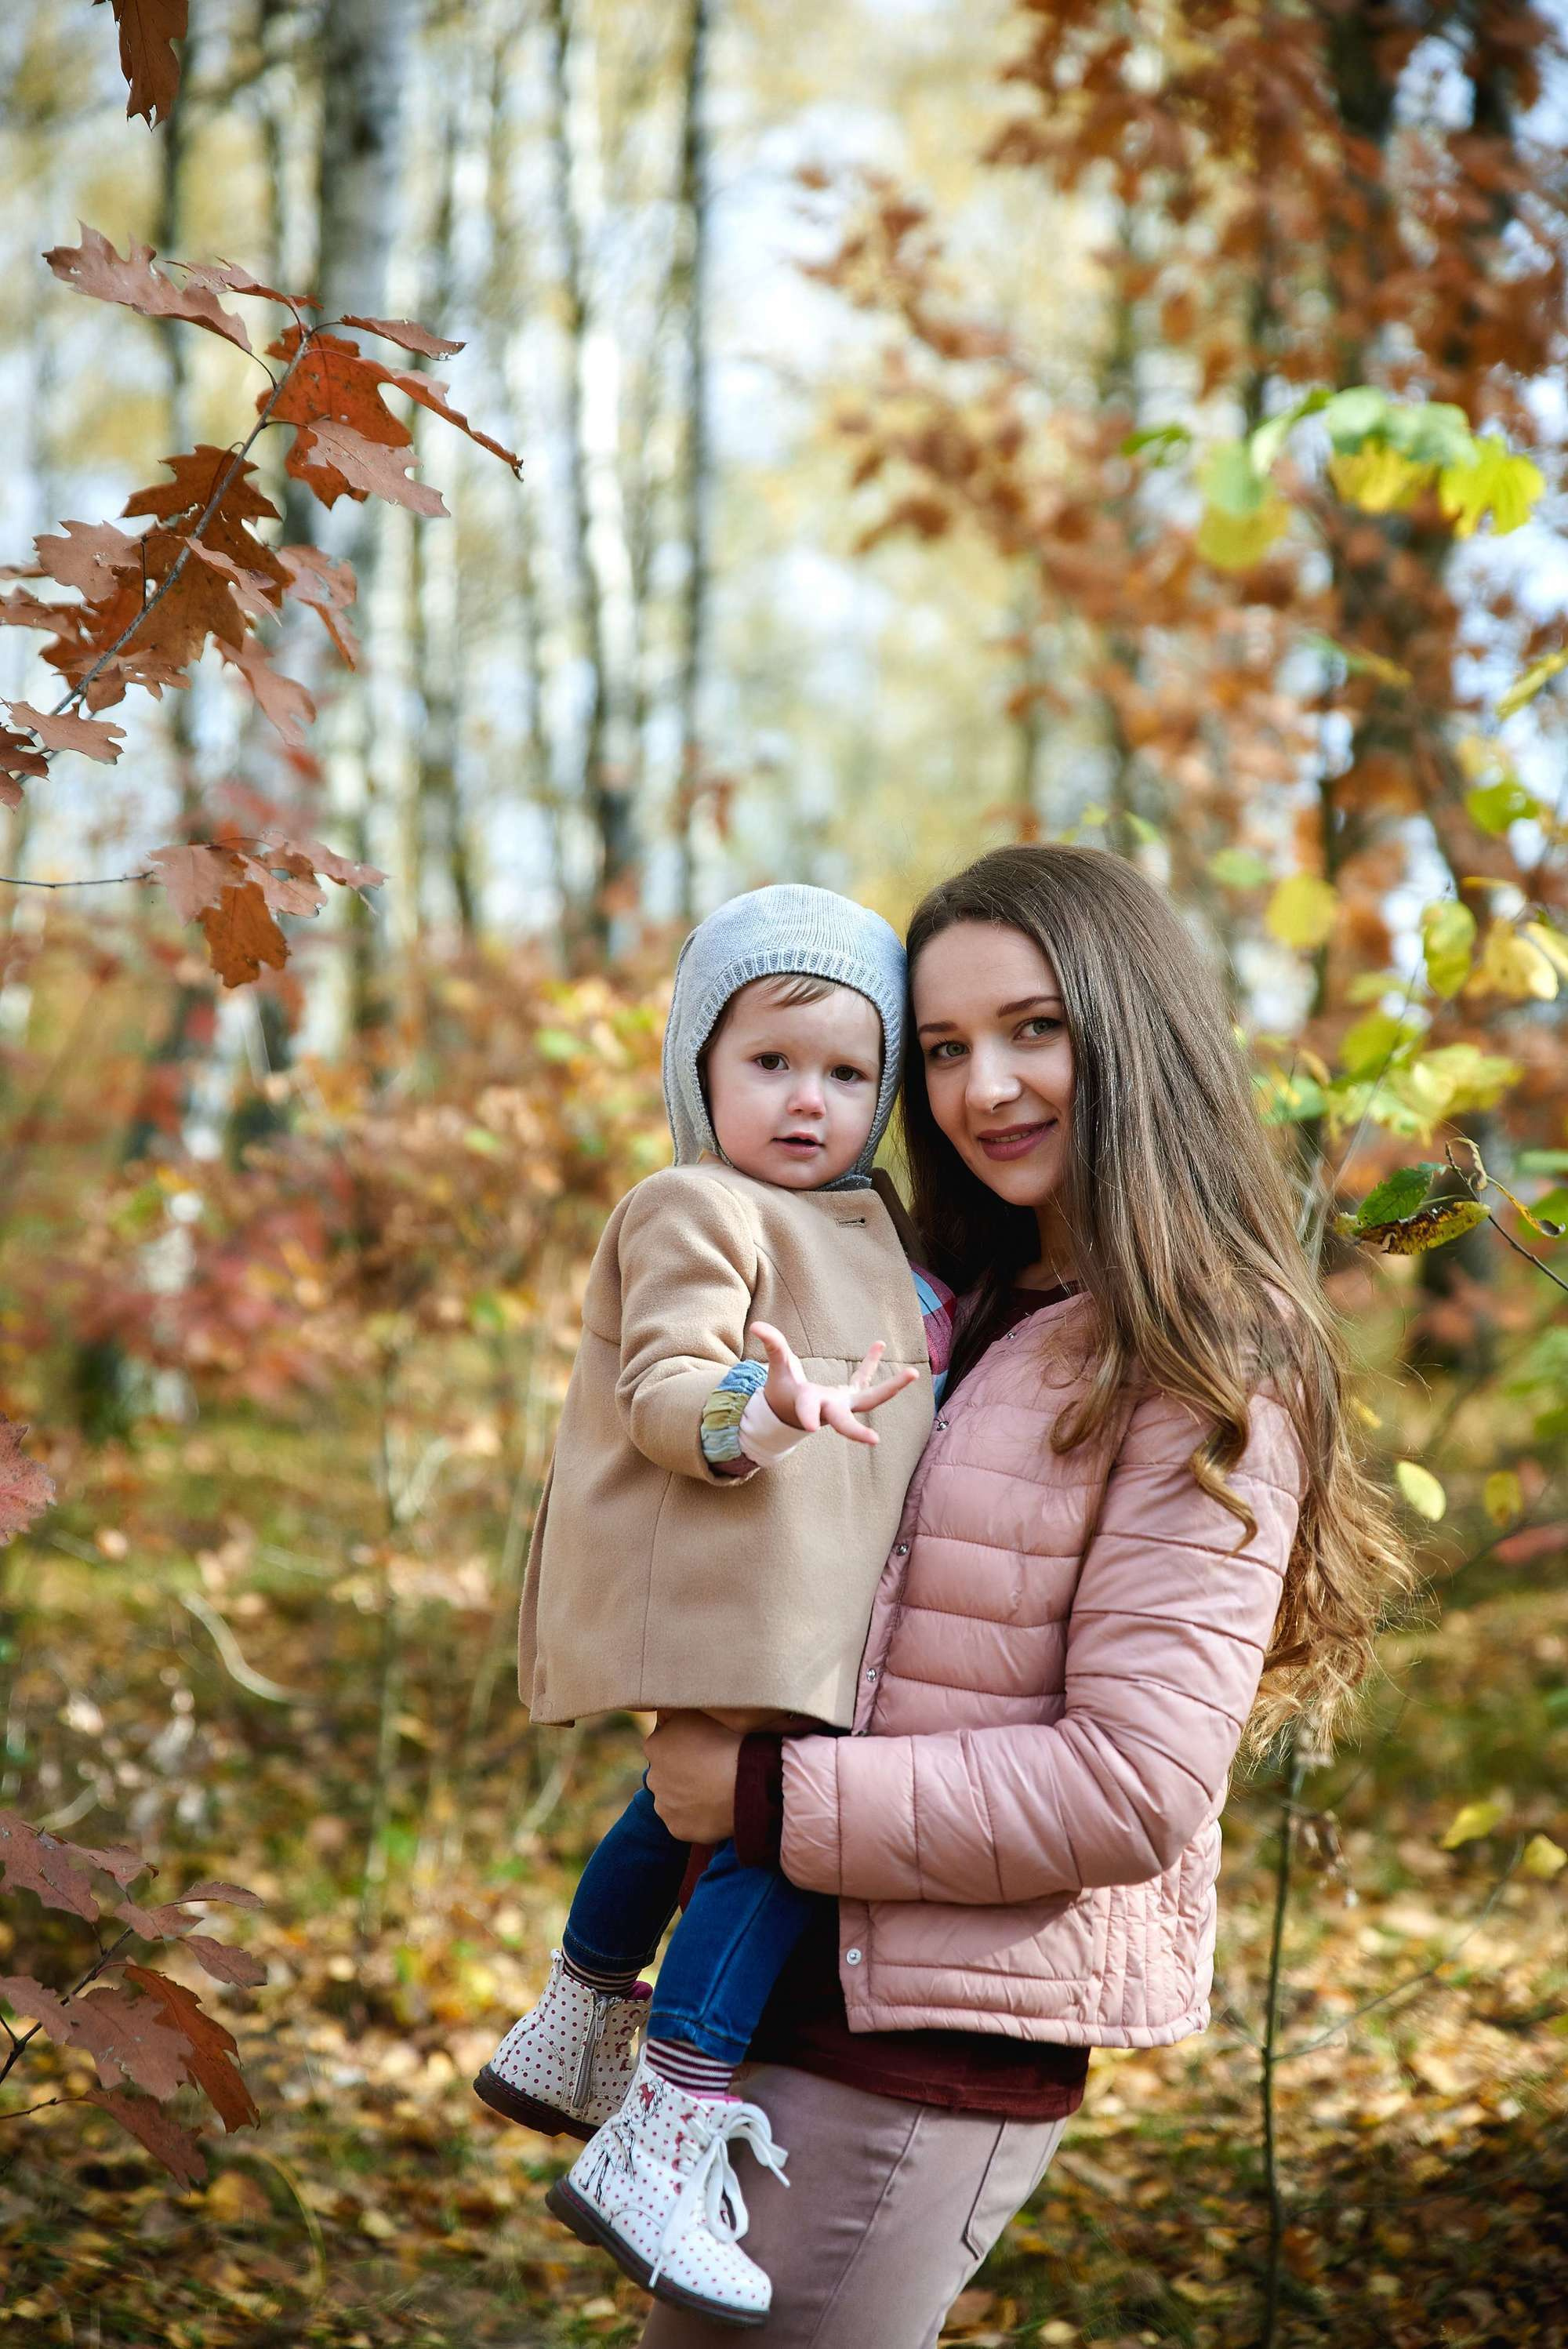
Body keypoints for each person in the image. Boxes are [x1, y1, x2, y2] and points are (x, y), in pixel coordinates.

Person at [631, 843, 1410, 2347]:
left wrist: (759, 1793)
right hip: (771, 1997)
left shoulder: (1204, 1355)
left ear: (1130, 1029)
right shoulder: (953, 1301)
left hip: (929, 2050)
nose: (983, 1087)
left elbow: (1133, 1785)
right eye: (941, 1048)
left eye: (1034, 1028)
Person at [474, 884, 957, 2324]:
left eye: (847, 1072)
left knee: (681, 1811)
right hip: (739, 1594)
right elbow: (666, 1382)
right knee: (777, 1844)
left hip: (804, 1613)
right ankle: (667, 2123)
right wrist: (766, 1397)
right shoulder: (694, 1203)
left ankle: (575, 2012)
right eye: (769, 1063)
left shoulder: (871, 1223)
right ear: (699, 1068)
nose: (809, 1101)